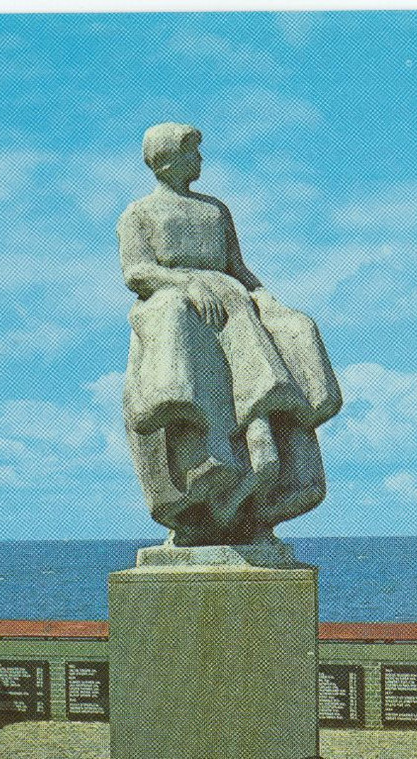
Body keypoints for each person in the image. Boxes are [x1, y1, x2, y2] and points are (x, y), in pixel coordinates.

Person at [116, 122, 342, 546]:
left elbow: (238, 270)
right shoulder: (138, 214)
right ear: (168, 158)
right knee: (180, 316)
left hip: (231, 300)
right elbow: (137, 272)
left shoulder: (216, 211)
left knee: (295, 326)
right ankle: (211, 434)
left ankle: (265, 436)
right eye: (192, 151)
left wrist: (267, 298)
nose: (200, 159)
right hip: (173, 302)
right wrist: (185, 284)